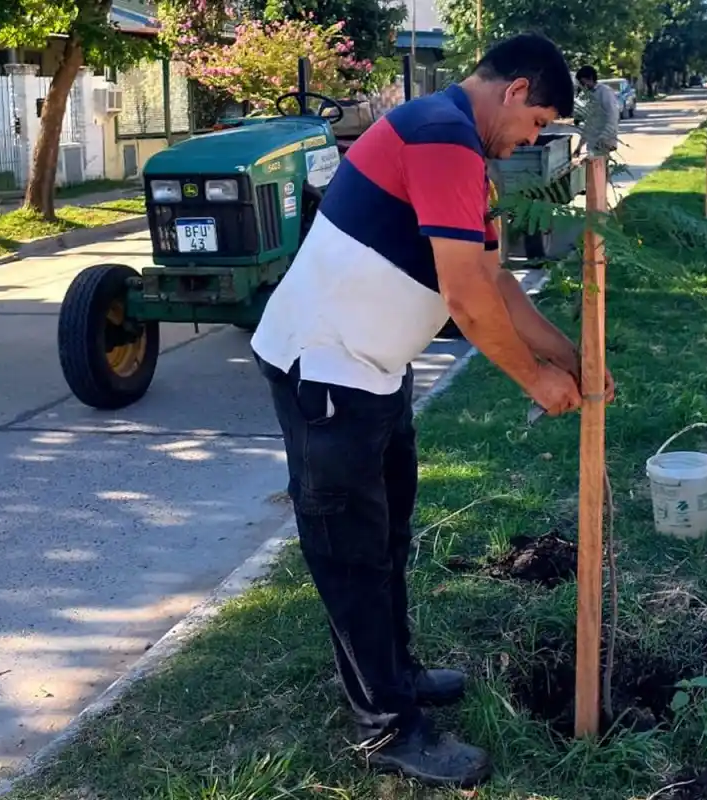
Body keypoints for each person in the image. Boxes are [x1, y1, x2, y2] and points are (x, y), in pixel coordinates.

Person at [249, 34, 596, 788]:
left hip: (373, 370)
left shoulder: (462, 150)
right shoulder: (440, 134)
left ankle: (396, 675)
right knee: (352, 556)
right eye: (537, 123)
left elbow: (495, 282)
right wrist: (534, 381)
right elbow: (466, 301)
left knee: (387, 537)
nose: (531, 140)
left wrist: (568, 355)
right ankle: (387, 728)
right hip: (326, 371)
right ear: (516, 90)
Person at [574, 65, 619, 157]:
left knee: (597, 163)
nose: (583, 86)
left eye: (583, 82)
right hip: (593, 144)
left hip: (603, 143)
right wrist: (579, 147)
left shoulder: (605, 92)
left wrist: (603, 138)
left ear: (590, 78)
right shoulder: (589, 95)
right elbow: (589, 124)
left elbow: (612, 117)